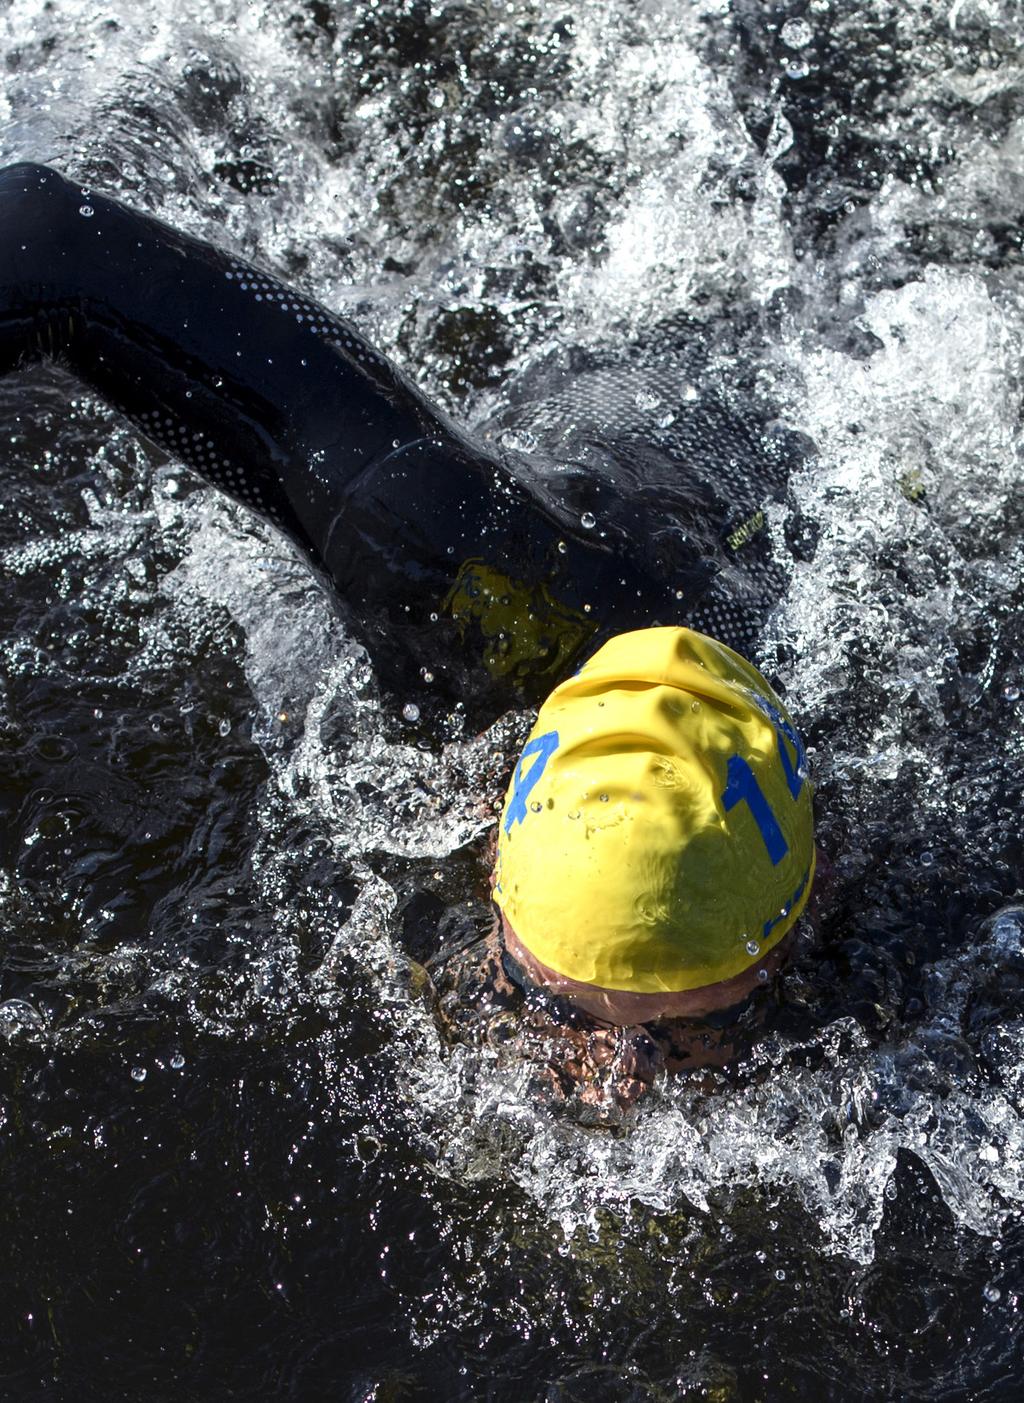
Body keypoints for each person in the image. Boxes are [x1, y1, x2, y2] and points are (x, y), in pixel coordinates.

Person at [0, 163, 816, 1105]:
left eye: (701, 1027)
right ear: (495, 854)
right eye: (553, 1008)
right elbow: (49, 239)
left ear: (814, 885)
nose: (613, 1087)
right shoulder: (448, 572)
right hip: (623, 442)